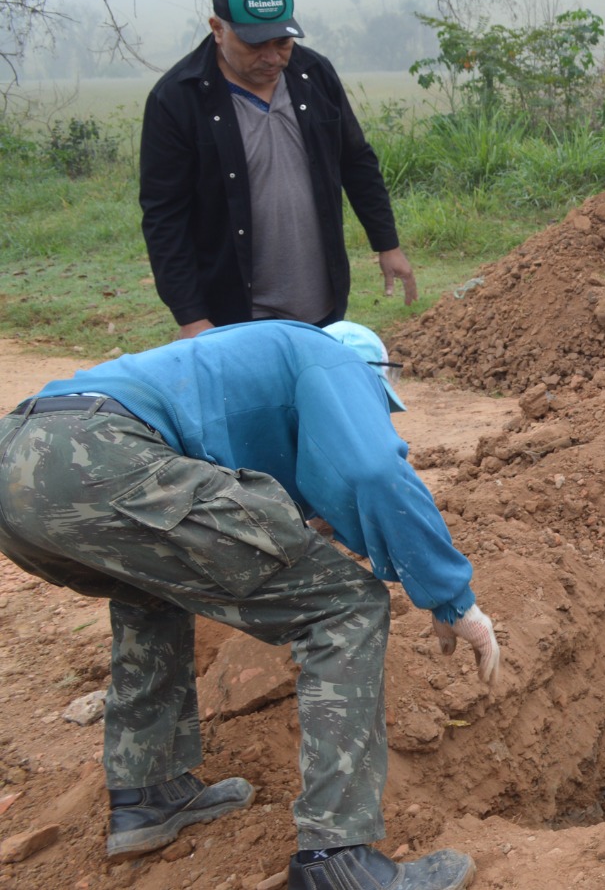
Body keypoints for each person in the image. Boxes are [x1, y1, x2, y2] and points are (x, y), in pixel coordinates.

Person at [0, 320, 497, 890]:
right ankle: (337, 859)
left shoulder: (238, 371)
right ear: (372, 373)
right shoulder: (331, 359)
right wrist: (451, 598)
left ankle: (148, 792)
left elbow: (274, 501)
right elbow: (374, 468)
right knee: (346, 606)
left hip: (18, 462)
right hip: (97, 457)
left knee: (157, 589)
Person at [140, 0, 419, 340]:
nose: (272, 58)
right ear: (218, 29)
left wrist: (388, 244)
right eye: (255, 45)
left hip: (321, 303)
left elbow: (356, 162)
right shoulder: (177, 99)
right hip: (233, 312)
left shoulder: (314, 75)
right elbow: (165, 216)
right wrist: (190, 316)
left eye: (282, 43)